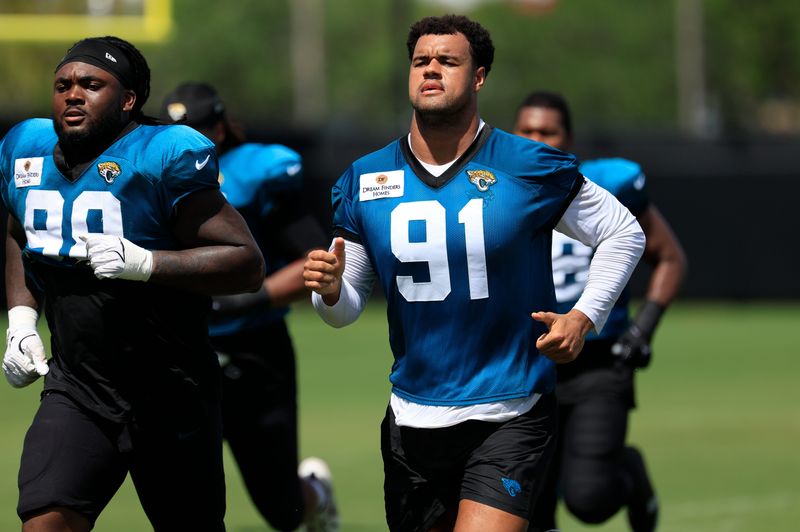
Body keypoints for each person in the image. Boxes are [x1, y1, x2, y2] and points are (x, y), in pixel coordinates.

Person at [303, 14, 646, 532]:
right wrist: (329, 293)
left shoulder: (528, 163)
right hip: (411, 419)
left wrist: (583, 317)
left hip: (508, 414)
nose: (432, 70)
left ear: (479, 76)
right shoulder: (365, 177)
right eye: (421, 61)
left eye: (448, 60)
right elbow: (345, 308)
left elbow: (624, 232)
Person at [0, 36, 265, 531]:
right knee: (45, 521)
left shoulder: (159, 154)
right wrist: (20, 319)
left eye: (91, 84)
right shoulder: (25, 148)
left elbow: (245, 263)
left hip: (171, 391)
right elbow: (19, 231)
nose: (73, 94)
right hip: (77, 387)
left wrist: (149, 263)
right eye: (63, 85)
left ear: (128, 99)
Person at [160, 82, 338, 532]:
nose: (183, 144)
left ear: (217, 130)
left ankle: (316, 493)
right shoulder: (150, 175)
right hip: (182, 355)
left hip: (254, 351)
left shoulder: (257, 172)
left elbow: (316, 263)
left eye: (195, 131)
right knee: (181, 495)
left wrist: (248, 299)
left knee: (282, 510)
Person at [513, 90, 688, 532]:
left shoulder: (605, 187)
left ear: (568, 138)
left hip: (597, 362)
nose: (537, 139)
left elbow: (669, 257)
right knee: (529, 507)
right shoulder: (491, 187)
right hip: (526, 364)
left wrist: (642, 331)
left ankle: (630, 474)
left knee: (588, 499)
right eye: (527, 131)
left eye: (547, 131)